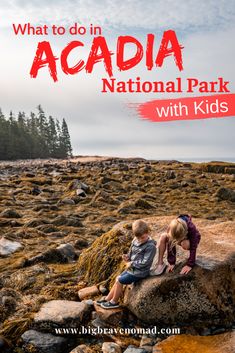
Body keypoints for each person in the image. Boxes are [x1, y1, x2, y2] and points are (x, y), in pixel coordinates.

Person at [96, 219, 156, 309]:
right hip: (132, 269)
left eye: (143, 238)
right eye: (138, 238)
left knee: (120, 281)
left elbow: (145, 262)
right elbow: (132, 252)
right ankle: (108, 298)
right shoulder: (136, 240)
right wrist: (128, 257)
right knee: (117, 279)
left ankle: (114, 302)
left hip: (140, 272)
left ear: (148, 232)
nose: (140, 240)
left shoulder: (150, 246)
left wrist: (131, 263)